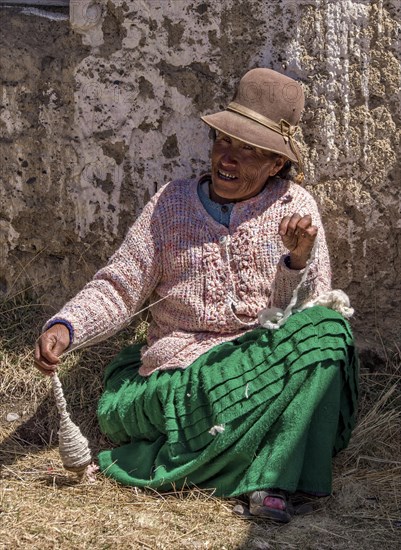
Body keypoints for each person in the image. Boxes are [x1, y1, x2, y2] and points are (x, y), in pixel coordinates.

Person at [34, 68, 358, 523]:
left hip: (255, 364)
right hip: (184, 378)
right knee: (251, 390)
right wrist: (67, 328)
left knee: (329, 330)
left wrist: (296, 263)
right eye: (224, 141)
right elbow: (119, 287)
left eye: (250, 150)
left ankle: (261, 472)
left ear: (276, 164)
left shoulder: (296, 207)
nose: (229, 157)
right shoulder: (171, 203)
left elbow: (302, 321)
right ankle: (269, 466)